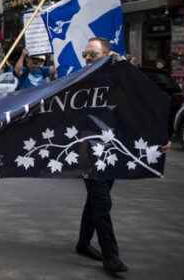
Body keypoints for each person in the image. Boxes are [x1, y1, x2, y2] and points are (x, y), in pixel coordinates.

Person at [76, 37, 129, 275]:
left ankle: (83, 243)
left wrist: (159, 138)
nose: (87, 59)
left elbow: (140, 111)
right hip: (89, 152)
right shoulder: (78, 80)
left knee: (96, 200)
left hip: (112, 150)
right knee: (102, 202)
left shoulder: (120, 80)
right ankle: (111, 257)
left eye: (93, 55)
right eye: (85, 54)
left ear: (107, 55)